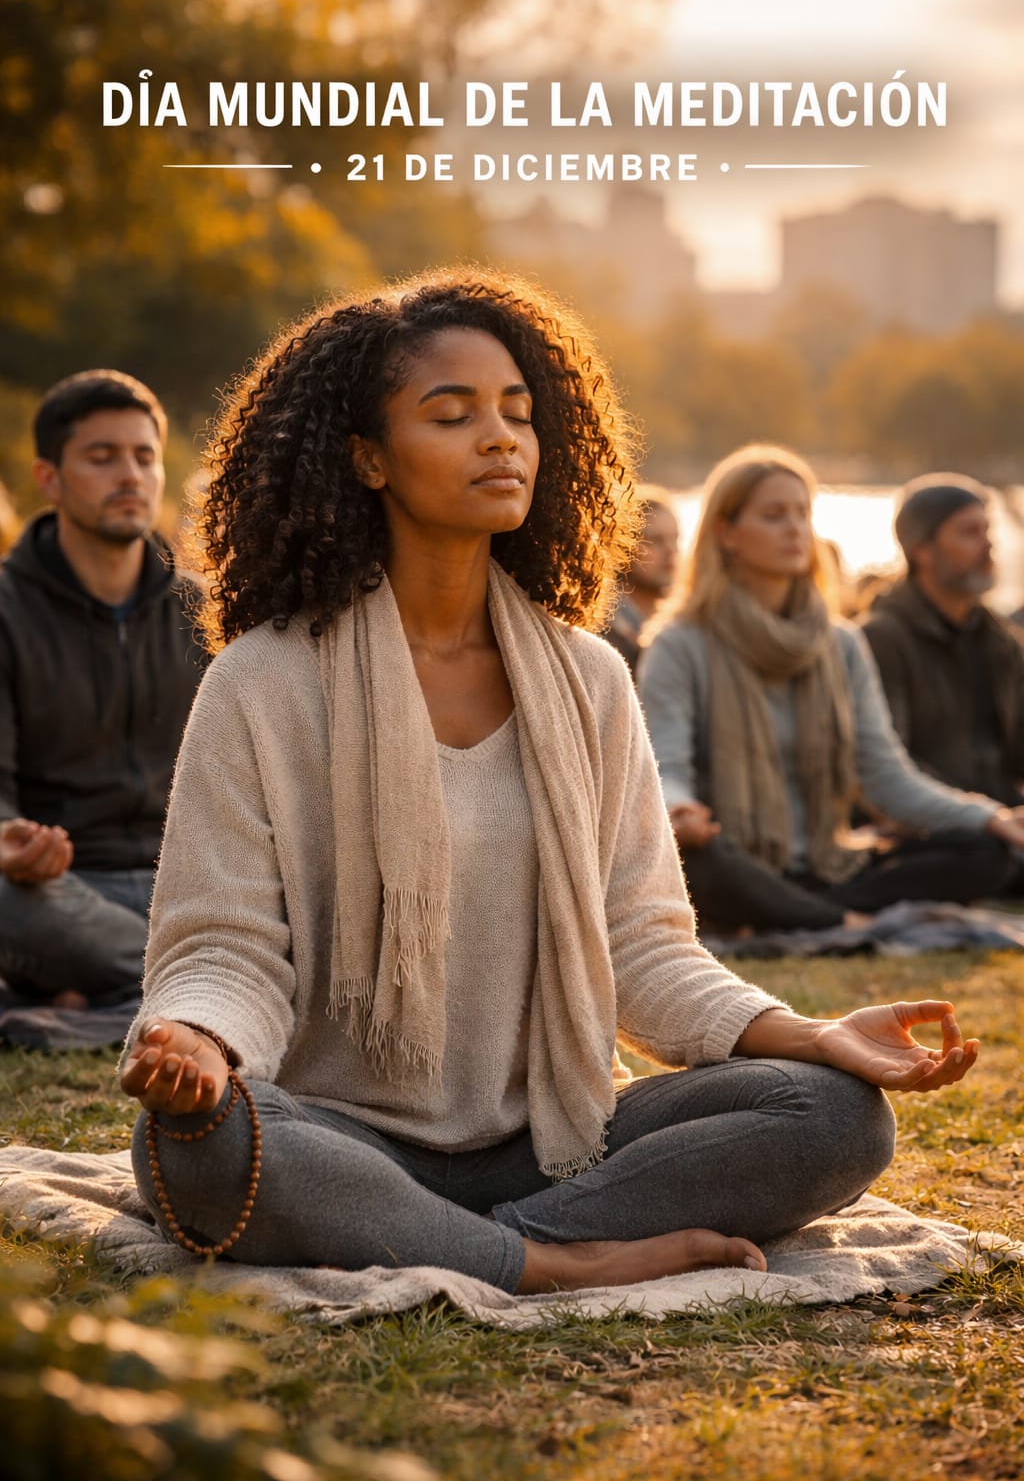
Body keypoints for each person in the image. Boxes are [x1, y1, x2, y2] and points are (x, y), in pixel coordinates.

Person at [120, 276, 976, 1296]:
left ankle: (470, 1238)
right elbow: (227, 947)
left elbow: (645, 949)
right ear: (365, 457)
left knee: (835, 1115)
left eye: (518, 414)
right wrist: (199, 1046)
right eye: (453, 414)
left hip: (557, 1140)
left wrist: (812, 1033)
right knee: (194, 1144)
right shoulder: (261, 681)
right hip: (339, 1130)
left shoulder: (590, 679)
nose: (500, 439)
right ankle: (551, 1257)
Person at [638, 445, 1024, 935]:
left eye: (803, 513)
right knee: (694, 862)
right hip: (735, 860)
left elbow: (886, 776)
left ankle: (813, 912)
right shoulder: (680, 644)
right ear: (726, 534)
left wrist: (990, 817)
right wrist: (680, 811)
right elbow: (665, 769)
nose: (796, 529)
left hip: (831, 863)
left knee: (985, 851)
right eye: (774, 515)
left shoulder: (841, 642)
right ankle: (835, 918)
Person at [0, 370, 207, 1008]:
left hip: (188, 889)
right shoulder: (6, 611)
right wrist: (13, 845)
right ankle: (194, 989)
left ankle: (103, 992)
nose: (130, 475)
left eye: (144, 457)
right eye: (102, 456)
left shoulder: (205, 612)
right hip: (60, 891)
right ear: (49, 479)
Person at [861, 475, 1024, 815]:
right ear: (922, 550)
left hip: (1002, 818)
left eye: (987, 529)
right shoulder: (882, 639)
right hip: (933, 827)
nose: (988, 544)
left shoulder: (999, 641)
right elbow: (888, 767)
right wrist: (980, 817)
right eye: (969, 532)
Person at [601, 484, 679, 677]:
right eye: (656, 540)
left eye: (675, 539)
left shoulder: (683, 621)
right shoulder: (602, 628)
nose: (671, 551)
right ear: (624, 548)